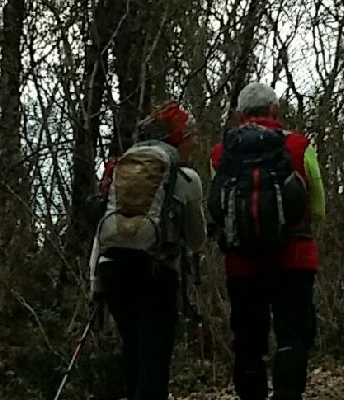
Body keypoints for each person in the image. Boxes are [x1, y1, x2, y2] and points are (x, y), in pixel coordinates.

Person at [208, 82, 325, 400]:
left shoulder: (221, 153)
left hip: (242, 265)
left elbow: (217, 208)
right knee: (293, 334)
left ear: (239, 115)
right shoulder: (299, 146)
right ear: (276, 110)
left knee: (247, 340)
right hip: (294, 259)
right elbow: (317, 206)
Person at [88, 102, 208, 400]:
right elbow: (196, 240)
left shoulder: (121, 170)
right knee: (154, 355)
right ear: (178, 138)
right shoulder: (187, 179)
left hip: (112, 266)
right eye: (191, 135)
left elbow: (102, 228)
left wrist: (95, 282)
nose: (196, 142)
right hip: (155, 270)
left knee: (132, 350)